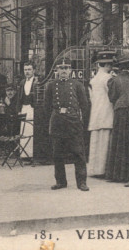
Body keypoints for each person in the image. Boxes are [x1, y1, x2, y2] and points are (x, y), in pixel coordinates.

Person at [44, 59, 90, 192]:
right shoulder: (51, 85)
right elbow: (46, 106)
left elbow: (84, 105)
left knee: (78, 152)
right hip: (58, 121)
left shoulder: (77, 85)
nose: (63, 71)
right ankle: (60, 181)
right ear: (57, 71)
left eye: (66, 68)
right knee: (57, 153)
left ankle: (81, 182)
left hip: (73, 121)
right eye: (61, 68)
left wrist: (80, 120)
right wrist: (53, 118)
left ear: (70, 71)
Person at [104, 51, 129, 182]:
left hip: (120, 111)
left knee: (119, 140)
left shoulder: (113, 80)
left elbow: (112, 98)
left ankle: (118, 173)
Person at [88, 51, 115, 178]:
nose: (111, 67)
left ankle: (93, 169)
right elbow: (112, 96)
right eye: (110, 65)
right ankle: (102, 170)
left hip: (96, 113)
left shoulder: (93, 80)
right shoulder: (108, 79)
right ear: (107, 65)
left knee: (95, 142)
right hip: (106, 113)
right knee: (104, 143)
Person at [17, 62, 38, 160]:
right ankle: (24, 155)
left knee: (32, 130)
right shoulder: (22, 82)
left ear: (33, 70)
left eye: (29, 69)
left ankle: (32, 154)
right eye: (25, 70)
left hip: (33, 108)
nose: (27, 72)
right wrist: (18, 109)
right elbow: (19, 97)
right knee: (24, 131)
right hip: (24, 108)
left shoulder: (37, 81)